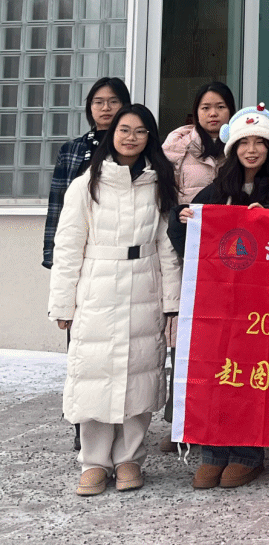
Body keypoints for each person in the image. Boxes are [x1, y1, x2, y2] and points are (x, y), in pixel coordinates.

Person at [49, 103, 180, 496]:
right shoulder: (86, 183)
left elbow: (166, 245)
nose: (131, 137)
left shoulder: (159, 183)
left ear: (149, 137)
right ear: (112, 134)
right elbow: (68, 246)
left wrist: (172, 300)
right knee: (94, 375)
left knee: (139, 376)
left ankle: (129, 459)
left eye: (140, 131)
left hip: (145, 285)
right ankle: (93, 462)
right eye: (124, 130)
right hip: (97, 288)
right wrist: (63, 303)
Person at [173, 103, 269, 489]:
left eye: (259, 142)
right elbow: (187, 238)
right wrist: (185, 221)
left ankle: (248, 454)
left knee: (253, 376)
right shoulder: (218, 190)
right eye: (244, 142)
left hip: (267, 305)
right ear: (233, 148)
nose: (251, 149)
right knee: (217, 373)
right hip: (221, 303)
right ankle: (213, 452)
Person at [43, 76, 132, 452]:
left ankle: (123, 432)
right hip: (84, 263)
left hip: (126, 264)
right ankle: (85, 431)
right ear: (89, 107)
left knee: (123, 353)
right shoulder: (73, 150)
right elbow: (58, 205)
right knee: (84, 354)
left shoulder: (134, 147)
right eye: (99, 101)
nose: (106, 108)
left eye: (113, 101)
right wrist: (54, 258)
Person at [163, 82, 235, 203]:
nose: (213, 113)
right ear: (196, 112)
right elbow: (165, 192)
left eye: (220, 107)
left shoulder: (241, 145)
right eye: (206, 108)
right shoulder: (178, 143)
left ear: (231, 111)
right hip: (189, 215)